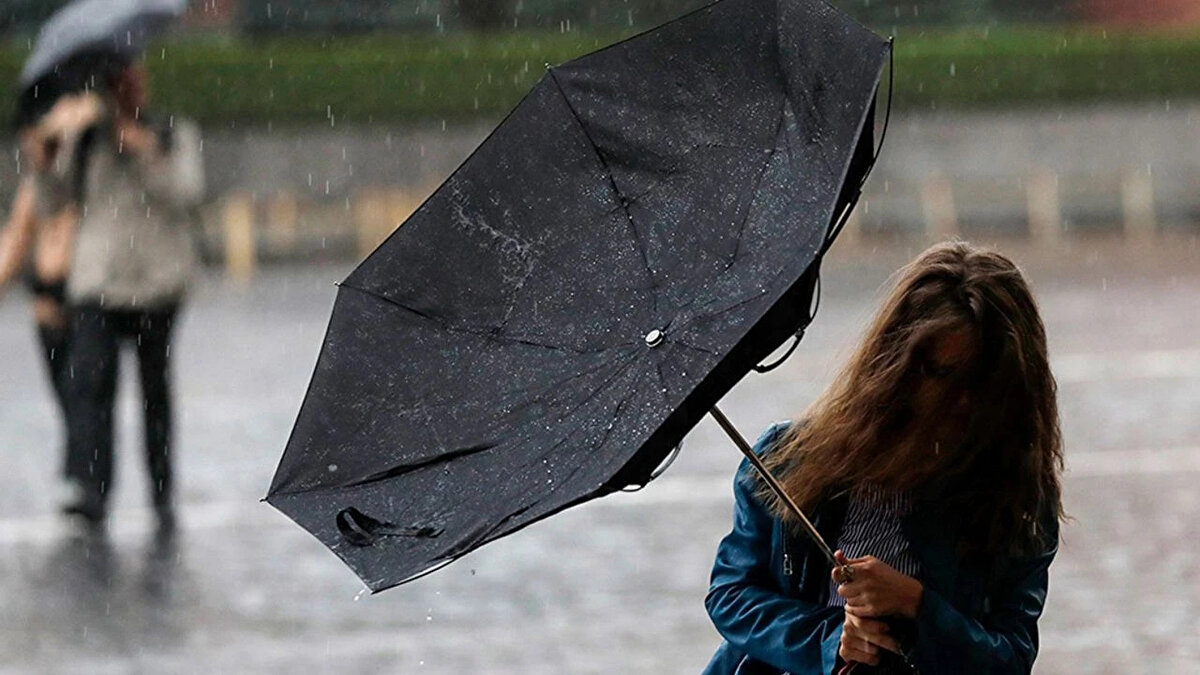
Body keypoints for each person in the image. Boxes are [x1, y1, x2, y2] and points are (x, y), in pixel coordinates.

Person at [703, 241, 1065, 674]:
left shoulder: (1018, 500)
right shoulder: (787, 460)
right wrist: (830, 640)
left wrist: (915, 605)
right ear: (895, 363)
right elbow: (732, 593)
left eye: (980, 381)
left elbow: (1009, 658)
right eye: (939, 374)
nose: (960, 400)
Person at [39, 57, 204, 531]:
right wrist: (47, 156)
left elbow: (188, 194)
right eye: (119, 83)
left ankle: (161, 491)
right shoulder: (86, 138)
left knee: (156, 392)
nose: (129, 91)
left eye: (135, 80)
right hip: (99, 286)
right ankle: (93, 492)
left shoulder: (172, 133)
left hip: (157, 284)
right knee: (92, 388)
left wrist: (147, 151)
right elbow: (53, 201)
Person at [0, 93, 98, 495]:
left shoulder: (82, 182)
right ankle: (81, 474)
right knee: (68, 398)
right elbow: (12, 248)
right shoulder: (33, 193)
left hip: (79, 302)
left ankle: (85, 478)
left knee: (83, 395)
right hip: (47, 310)